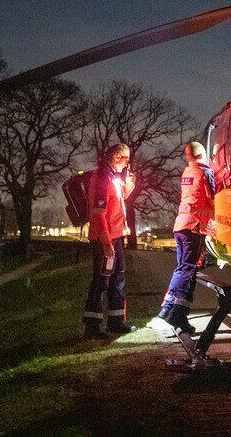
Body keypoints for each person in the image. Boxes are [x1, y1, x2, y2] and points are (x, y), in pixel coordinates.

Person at [158, 141, 215, 334]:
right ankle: (177, 314)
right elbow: (214, 198)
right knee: (188, 269)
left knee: (183, 268)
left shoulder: (188, 173)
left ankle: (168, 307)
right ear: (203, 155)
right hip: (194, 227)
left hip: (181, 226)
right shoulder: (204, 173)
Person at [83, 143, 136, 339]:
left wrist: (128, 188)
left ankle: (116, 321)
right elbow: (99, 211)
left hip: (116, 236)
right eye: (126, 159)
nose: (127, 164)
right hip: (105, 238)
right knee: (101, 279)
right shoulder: (103, 176)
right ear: (116, 157)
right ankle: (92, 326)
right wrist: (105, 240)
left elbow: (116, 202)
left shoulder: (113, 177)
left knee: (117, 278)